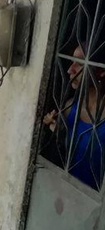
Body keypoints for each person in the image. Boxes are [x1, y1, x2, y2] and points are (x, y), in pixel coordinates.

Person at [43, 44, 105, 190]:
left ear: (101, 70)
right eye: (71, 61)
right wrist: (58, 132)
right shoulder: (69, 107)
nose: (70, 70)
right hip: (62, 191)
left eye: (80, 63)